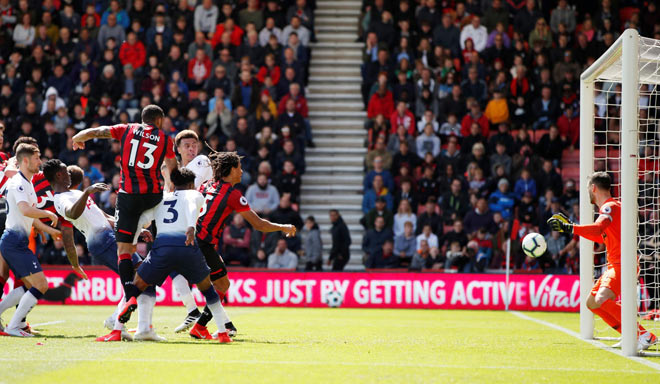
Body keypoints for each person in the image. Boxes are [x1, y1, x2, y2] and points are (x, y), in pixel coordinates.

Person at [72, 105, 179, 323]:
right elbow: (172, 167)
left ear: (142, 119)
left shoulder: (127, 129)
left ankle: (129, 296)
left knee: (124, 250)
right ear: (159, 121)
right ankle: (156, 253)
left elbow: (100, 131)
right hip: (153, 196)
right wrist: (170, 184)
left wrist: (79, 135)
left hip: (128, 196)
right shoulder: (166, 139)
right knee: (156, 234)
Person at [188, 151, 295, 340]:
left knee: (216, 283)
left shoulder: (206, 185)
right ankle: (201, 326)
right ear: (230, 171)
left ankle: (217, 325)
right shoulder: (232, 194)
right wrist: (282, 227)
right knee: (222, 284)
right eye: (239, 167)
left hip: (192, 240)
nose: (242, 171)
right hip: (203, 243)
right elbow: (259, 224)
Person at [548, 172, 657, 350]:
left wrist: (571, 228)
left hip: (622, 263)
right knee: (591, 302)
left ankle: (643, 334)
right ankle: (630, 334)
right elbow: (603, 237)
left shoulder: (610, 207)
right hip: (617, 263)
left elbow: (598, 229)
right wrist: (574, 227)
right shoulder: (614, 206)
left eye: (588, 189)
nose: (588, 193)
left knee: (600, 299)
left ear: (593, 188)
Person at [45, 161, 151, 341]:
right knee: (139, 275)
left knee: (139, 276)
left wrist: (136, 230)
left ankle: (118, 321)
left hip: (107, 236)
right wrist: (87, 193)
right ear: (59, 175)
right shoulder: (60, 200)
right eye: (65, 170)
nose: (69, 173)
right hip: (100, 241)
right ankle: (120, 322)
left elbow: (104, 216)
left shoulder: (76, 193)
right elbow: (72, 214)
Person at [130, 168, 235, 343]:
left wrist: (135, 240)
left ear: (173, 183)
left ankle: (122, 318)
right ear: (191, 184)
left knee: (138, 285)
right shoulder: (194, 194)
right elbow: (192, 207)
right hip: (186, 244)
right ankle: (223, 333)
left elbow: (143, 219)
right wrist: (191, 227)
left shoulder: (162, 198)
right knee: (208, 289)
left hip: (161, 246)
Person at [0, 144, 58, 337]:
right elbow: (25, 210)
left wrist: (46, 229)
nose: (40, 161)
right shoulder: (18, 182)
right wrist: (48, 214)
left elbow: (28, 216)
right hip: (14, 241)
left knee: (26, 285)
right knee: (40, 285)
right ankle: (14, 326)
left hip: (17, 241)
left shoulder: (28, 182)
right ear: (25, 160)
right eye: (36, 158)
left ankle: (9, 321)